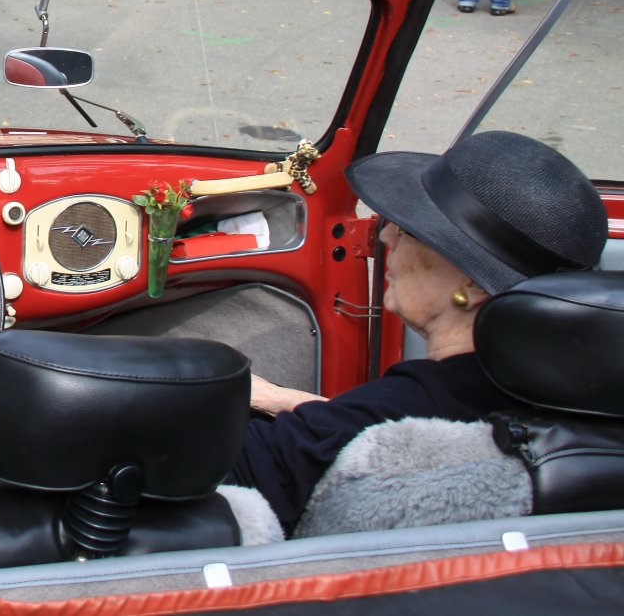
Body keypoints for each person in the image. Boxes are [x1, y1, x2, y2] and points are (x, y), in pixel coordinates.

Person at [226, 131, 608, 534]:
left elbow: (215, 473)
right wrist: (278, 399)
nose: (385, 236)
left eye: (408, 231)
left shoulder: (411, 407)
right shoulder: (574, 394)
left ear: (472, 286)